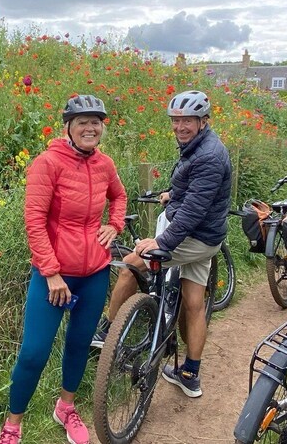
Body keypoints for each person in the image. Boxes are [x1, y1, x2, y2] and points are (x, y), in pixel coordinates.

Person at [0, 94, 127, 444]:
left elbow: (120, 196)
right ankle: (13, 424)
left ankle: (65, 407)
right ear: (68, 127)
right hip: (54, 277)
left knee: (79, 343)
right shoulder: (48, 163)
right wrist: (51, 271)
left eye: (96, 121)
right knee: (34, 352)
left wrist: (115, 224)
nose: (90, 127)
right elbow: (34, 220)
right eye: (82, 121)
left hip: (95, 272)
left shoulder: (105, 164)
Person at [93, 90, 232, 398]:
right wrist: (173, 195)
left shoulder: (208, 155)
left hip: (194, 237)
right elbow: (195, 191)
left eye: (188, 121)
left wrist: (160, 242)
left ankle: (106, 333)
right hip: (208, 237)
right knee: (194, 303)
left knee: (131, 265)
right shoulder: (202, 145)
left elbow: (194, 211)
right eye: (176, 120)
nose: (180, 126)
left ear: (203, 121)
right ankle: (190, 374)